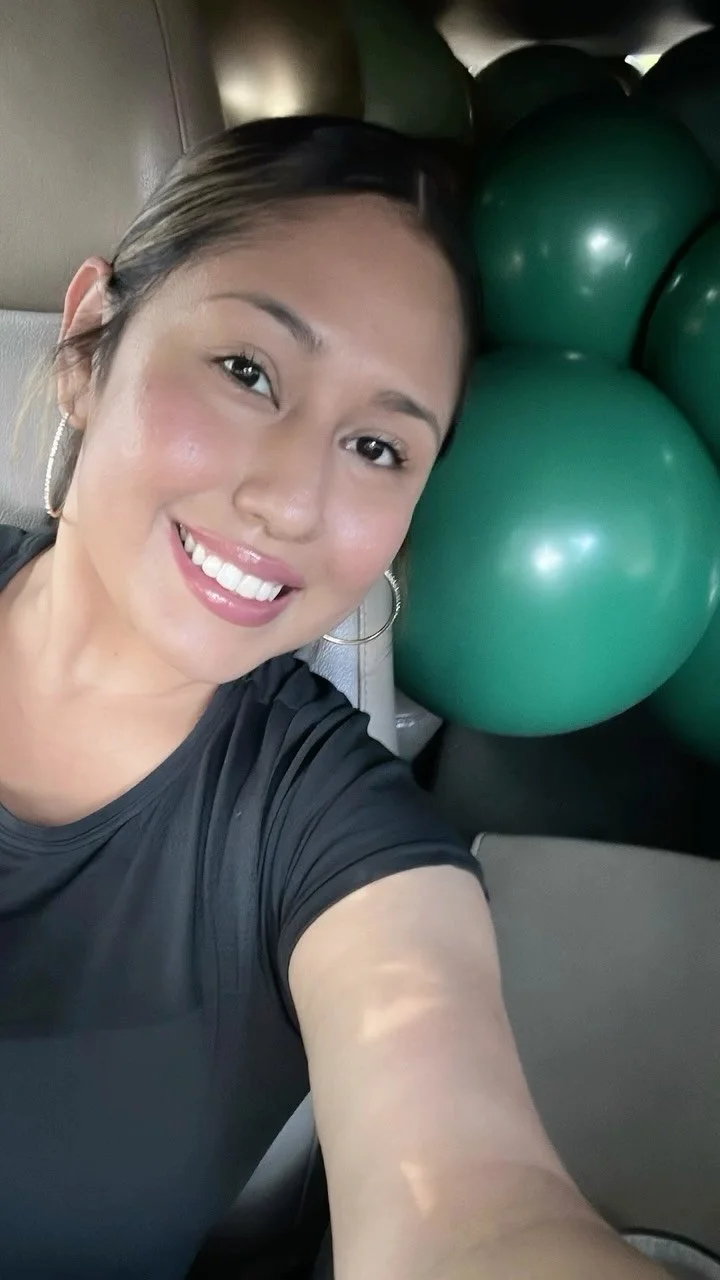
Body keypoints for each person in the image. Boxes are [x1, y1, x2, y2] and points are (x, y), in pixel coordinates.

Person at [0, 116, 666, 1280]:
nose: (292, 501)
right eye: (249, 371)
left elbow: (471, 1207)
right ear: (89, 341)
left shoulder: (337, 832)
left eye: (376, 448)